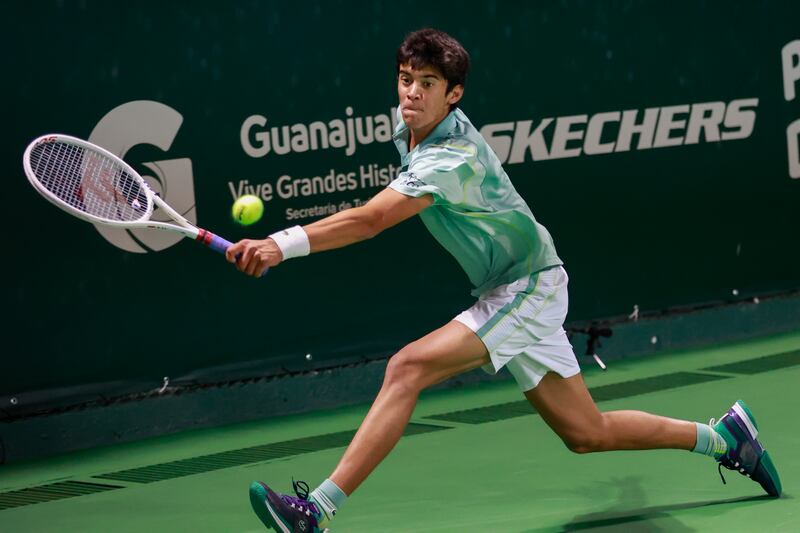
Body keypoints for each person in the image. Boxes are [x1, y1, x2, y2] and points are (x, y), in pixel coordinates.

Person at [227, 28, 782, 533]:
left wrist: (282, 244)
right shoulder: (414, 127)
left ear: (455, 94)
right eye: (405, 81)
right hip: (514, 284)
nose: (412, 94)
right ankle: (725, 438)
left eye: (427, 84)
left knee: (407, 367)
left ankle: (315, 512)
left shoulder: (451, 157)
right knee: (587, 434)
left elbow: (371, 220)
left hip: (529, 286)